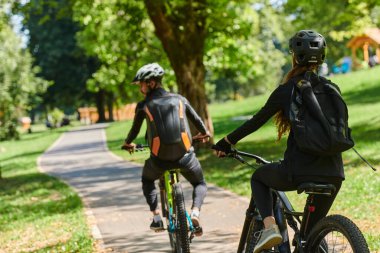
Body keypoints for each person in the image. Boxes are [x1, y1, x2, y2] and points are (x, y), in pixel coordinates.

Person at [213, 30, 344, 253]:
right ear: (321, 58)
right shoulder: (332, 88)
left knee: (259, 177)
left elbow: (256, 121)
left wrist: (226, 141)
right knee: (309, 239)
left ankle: (270, 228)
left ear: (294, 57)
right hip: (333, 172)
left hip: (298, 170)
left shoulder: (287, 89)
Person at [122, 63, 210, 235]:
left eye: (141, 83)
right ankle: (195, 212)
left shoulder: (143, 105)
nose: (140, 87)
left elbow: (134, 130)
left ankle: (156, 217)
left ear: (152, 83)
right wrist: (204, 133)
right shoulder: (180, 99)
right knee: (199, 183)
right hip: (186, 158)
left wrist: (127, 143)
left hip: (159, 161)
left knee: (147, 180)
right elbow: (199, 122)